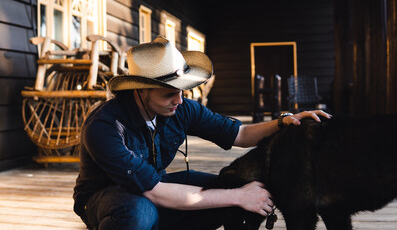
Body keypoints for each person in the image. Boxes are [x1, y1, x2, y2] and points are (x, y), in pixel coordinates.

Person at [73, 36, 331, 230]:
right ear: (141, 90)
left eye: (182, 90)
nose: (179, 100)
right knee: (139, 211)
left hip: (155, 186)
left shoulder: (180, 108)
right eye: (169, 93)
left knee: (229, 185)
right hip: (104, 199)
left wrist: (284, 122)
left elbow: (238, 134)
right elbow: (154, 192)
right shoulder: (105, 126)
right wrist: (238, 196)